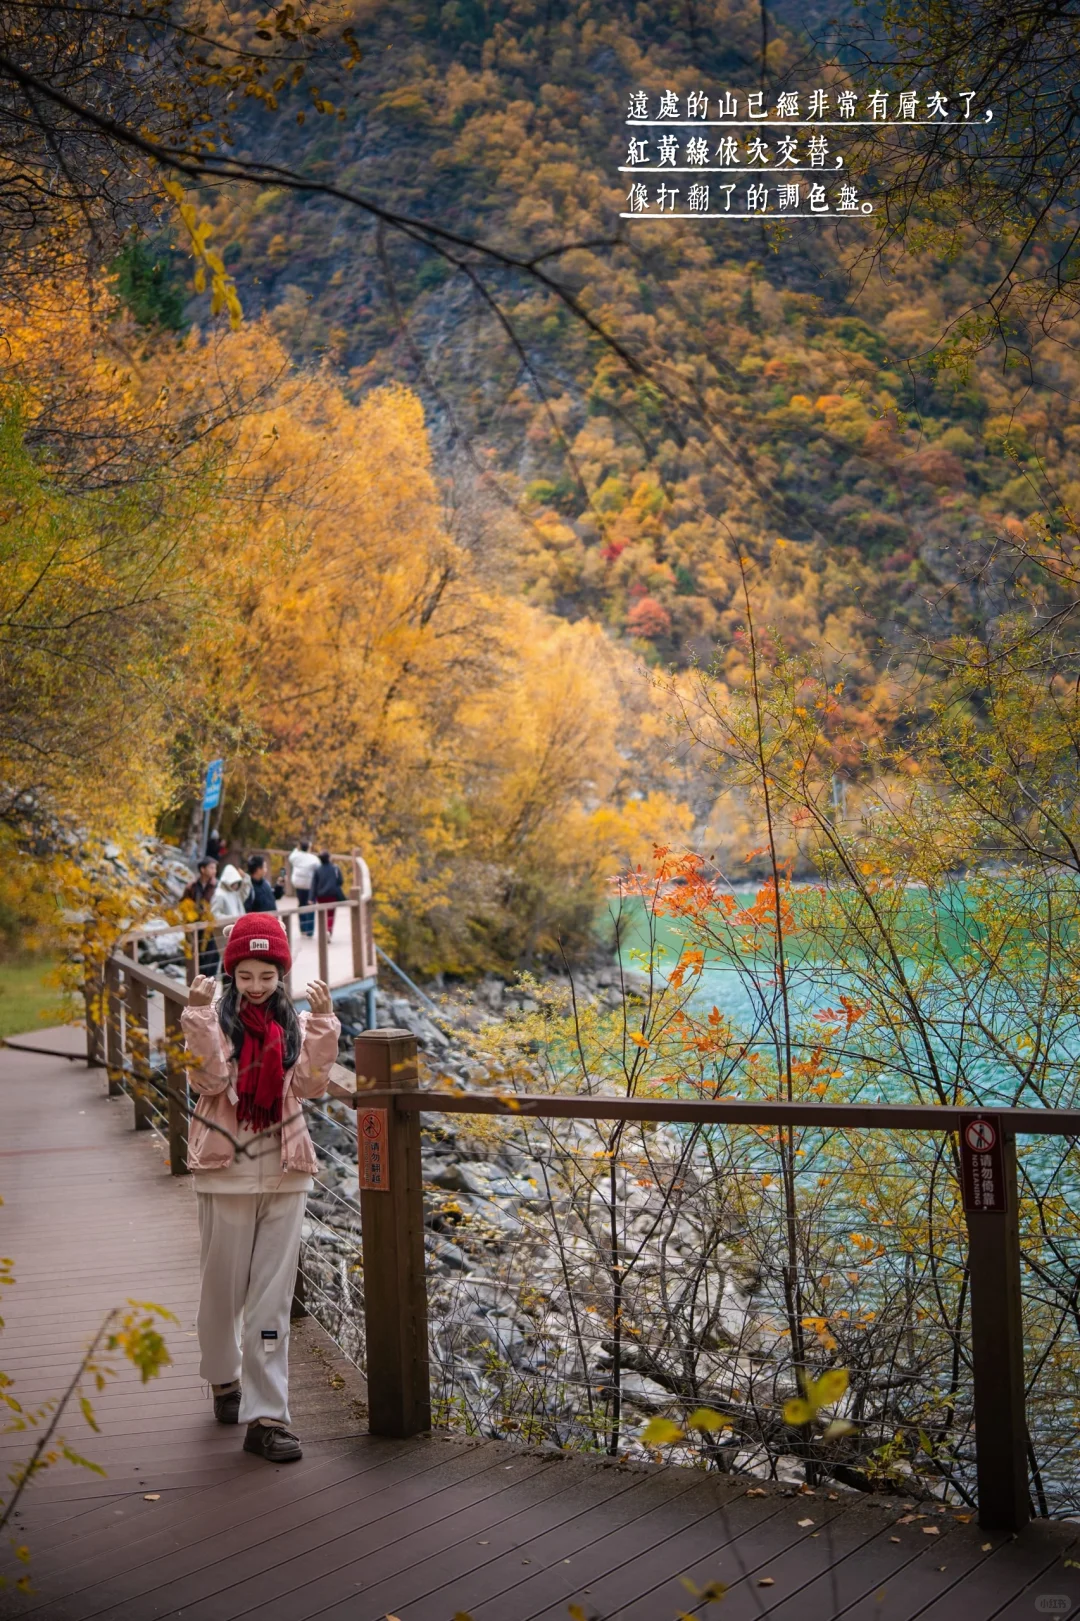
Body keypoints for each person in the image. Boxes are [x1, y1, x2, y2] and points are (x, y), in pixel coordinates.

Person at [181, 912, 339, 1463]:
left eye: (266, 976)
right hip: (225, 1174)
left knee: (271, 1302)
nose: (255, 986)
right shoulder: (215, 1024)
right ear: (231, 974)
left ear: (280, 974)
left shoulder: (293, 1025)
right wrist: (199, 1017)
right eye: (245, 975)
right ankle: (225, 1380)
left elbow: (311, 1086)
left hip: (285, 1171)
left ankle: (266, 1418)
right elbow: (211, 1081)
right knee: (220, 1293)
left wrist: (322, 1024)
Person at [182, 857, 220, 977]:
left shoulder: (217, 886)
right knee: (196, 958)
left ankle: (209, 984)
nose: (214, 870)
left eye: (215, 868)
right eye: (211, 867)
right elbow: (183, 904)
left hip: (211, 927)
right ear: (202, 869)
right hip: (195, 927)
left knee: (212, 957)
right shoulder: (191, 886)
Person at [310, 850, 346, 938]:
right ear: (329, 858)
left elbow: (313, 885)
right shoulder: (335, 868)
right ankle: (328, 931)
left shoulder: (317, 870)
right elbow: (340, 881)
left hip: (321, 896)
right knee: (330, 914)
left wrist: (311, 898)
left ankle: (323, 931)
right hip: (332, 895)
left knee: (322, 914)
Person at [288, 841, 321, 937]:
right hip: (310, 886)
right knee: (310, 906)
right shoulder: (313, 859)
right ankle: (309, 929)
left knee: (301, 905)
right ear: (309, 848)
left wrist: (296, 848)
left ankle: (302, 928)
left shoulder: (296, 856)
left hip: (299, 885)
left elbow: (291, 857)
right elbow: (318, 868)